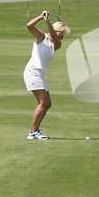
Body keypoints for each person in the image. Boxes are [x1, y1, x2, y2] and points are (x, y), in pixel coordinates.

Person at [23, 10, 71, 139]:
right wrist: (41, 17)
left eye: (62, 36)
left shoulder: (57, 44)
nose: (61, 38)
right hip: (32, 72)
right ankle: (33, 132)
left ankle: (35, 131)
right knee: (43, 103)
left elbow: (54, 36)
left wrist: (47, 20)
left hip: (39, 74)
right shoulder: (41, 37)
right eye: (61, 35)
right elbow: (29, 26)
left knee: (47, 103)